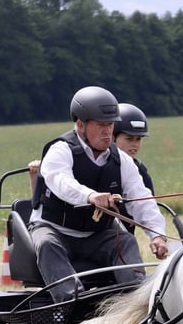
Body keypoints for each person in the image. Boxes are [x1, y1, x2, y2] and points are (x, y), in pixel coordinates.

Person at [29, 86, 169, 302]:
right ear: (80, 125)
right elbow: (60, 181)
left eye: (111, 125)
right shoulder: (60, 150)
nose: (108, 132)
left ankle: (138, 301)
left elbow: (141, 198)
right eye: (101, 125)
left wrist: (157, 234)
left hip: (98, 234)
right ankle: (73, 303)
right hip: (54, 230)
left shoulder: (121, 160)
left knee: (125, 240)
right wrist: (90, 196)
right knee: (47, 244)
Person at [113, 103, 154, 232]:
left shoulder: (140, 169)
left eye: (138, 139)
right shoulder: (98, 166)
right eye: (129, 139)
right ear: (112, 137)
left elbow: (148, 206)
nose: (135, 144)